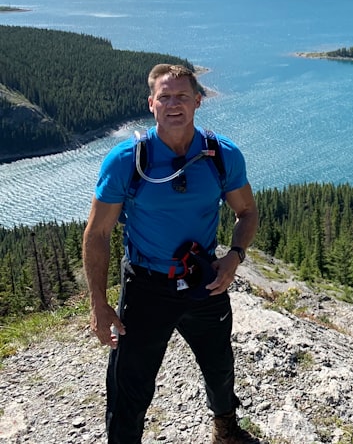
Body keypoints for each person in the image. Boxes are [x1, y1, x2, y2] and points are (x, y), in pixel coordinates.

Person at [82, 64, 260, 444]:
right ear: (151, 104)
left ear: (198, 100)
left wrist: (235, 256)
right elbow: (97, 233)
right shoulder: (126, 160)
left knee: (219, 366)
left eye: (182, 96)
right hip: (147, 286)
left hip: (204, 279)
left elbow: (246, 212)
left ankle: (225, 429)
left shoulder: (220, 156)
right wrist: (98, 302)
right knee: (130, 383)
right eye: (165, 97)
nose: (173, 104)